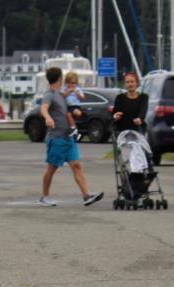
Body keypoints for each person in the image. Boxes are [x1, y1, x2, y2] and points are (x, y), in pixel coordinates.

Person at [38, 65, 103, 207]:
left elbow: (66, 111)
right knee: (51, 168)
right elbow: (43, 107)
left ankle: (86, 195)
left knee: (76, 165)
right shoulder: (49, 94)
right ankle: (44, 197)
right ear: (59, 78)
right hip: (57, 138)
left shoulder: (61, 95)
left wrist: (74, 117)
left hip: (68, 137)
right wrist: (47, 117)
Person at [111, 70, 149, 134]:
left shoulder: (143, 97)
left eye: (132, 82)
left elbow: (143, 111)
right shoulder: (120, 97)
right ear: (125, 84)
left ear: (136, 83)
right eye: (127, 82)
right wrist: (115, 116)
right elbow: (115, 113)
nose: (130, 84)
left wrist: (139, 119)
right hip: (122, 132)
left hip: (138, 131)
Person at [63, 70, 85, 138]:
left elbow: (83, 97)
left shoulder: (77, 89)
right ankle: (74, 128)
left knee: (77, 113)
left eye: (74, 83)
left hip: (76, 106)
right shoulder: (65, 89)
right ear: (67, 82)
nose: (72, 85)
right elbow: (63, 96)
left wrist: (78, 94)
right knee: (68, 114)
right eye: (70, 83)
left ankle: (73, 128)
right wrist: (68, 91)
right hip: (69, 106)